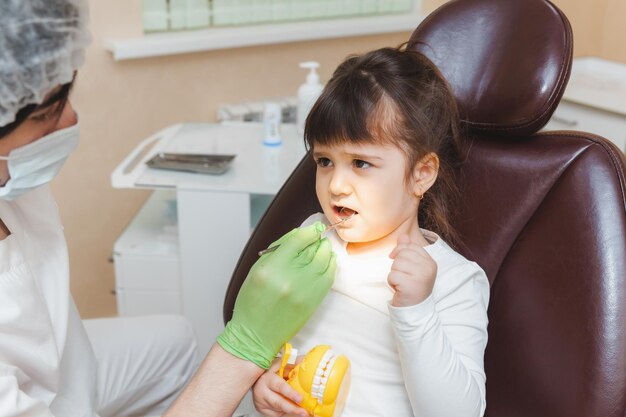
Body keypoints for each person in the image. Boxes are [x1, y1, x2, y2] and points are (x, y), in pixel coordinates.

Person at [0, 1, 335, 416]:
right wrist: (243, 348)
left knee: (177, 343)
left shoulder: (11, 174)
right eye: (49, 111)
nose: (70, 118)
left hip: (63, 370)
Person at [252, 46, 490, 417]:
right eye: (324, 161)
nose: (336, 185)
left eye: (361, 163)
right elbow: (269, 337)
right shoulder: (312, 237)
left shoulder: (453, 280)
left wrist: (418, 310)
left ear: (421, 174)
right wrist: (265, 379)